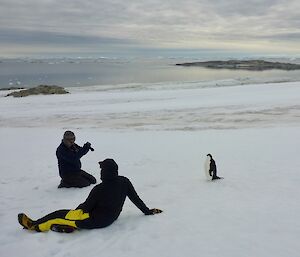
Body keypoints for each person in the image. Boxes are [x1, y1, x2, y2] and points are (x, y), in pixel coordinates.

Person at [18, 158, 162, 233]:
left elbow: (86, 208)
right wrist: (148, 211)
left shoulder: (99, 189)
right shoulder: (124, 181)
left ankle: (34, 226)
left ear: (104, 172)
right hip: (111, 218)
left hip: (94, 220)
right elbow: (135, 199)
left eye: (101, 169)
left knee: (59, 214)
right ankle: (66, 227)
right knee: (67, 216)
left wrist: (76, 210)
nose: (100, 172)